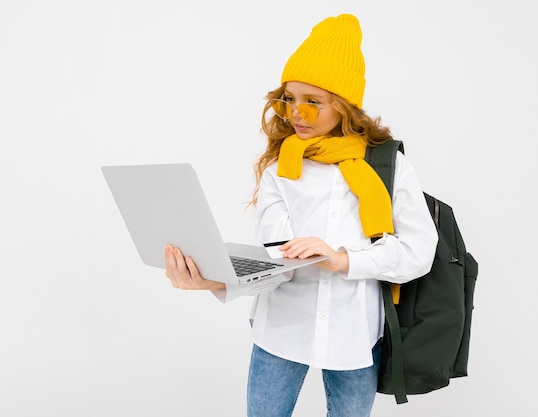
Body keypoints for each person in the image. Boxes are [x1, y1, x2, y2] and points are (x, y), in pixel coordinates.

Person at [163, 13, 438, 417]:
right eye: (290, 99)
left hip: (355, 336)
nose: (297, 114)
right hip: (281, 332)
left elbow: (419, 251)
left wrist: (341, 259)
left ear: (345, 106)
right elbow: (278, 262)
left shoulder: (388, 167)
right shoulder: (280, 168)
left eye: (314, 102)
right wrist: (214, 281)